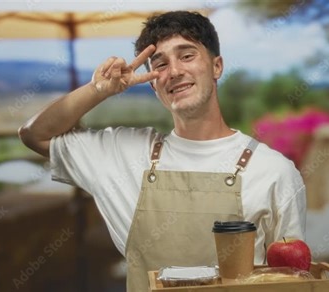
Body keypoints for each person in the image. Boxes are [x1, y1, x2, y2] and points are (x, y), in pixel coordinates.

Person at [19, 10, 306, 291]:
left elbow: (293, 280)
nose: (175, 72)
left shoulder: (273, 171)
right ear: (154, 84)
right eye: (160, 64)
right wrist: (99, 89)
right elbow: (35, 135)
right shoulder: (122, 154)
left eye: (187, 55)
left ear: (217, 66)